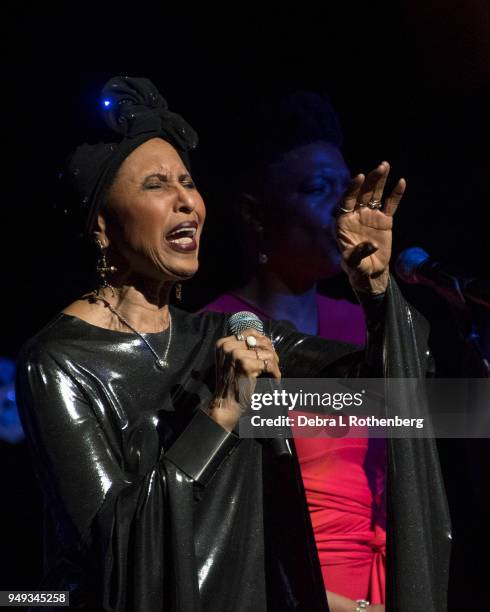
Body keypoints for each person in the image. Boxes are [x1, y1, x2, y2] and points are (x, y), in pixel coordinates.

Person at [15, 76, 450, 612]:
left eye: (188, 182)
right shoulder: (59, 360)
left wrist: (377, 291)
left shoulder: (221, 334)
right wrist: (220, 415)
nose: (187, 202)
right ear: (102, 225)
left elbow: (381, 394)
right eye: (156, 184)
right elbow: (115, 552)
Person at [202, 92, 386, 608]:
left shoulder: (365, 321)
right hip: (289, 589)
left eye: (346, 188)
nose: (341, 207)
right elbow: (224, 512)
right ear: (256, 215)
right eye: (316, 189)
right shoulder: (211, 333)